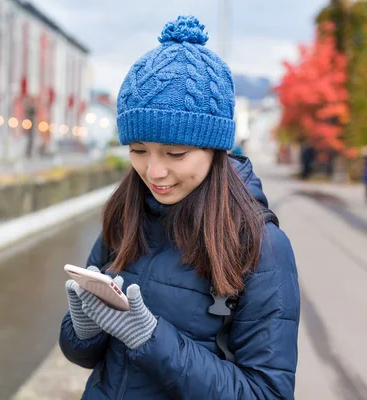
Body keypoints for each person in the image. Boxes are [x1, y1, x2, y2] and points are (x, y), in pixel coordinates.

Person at [59, 16, 300, 399]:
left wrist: (151, 338)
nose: (154, 172)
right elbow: (83, 357)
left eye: (175, 153)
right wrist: (83, 326)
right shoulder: (126, 214)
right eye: (138, 151)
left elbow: (268, 392)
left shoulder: (261, 245)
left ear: (215, 150)